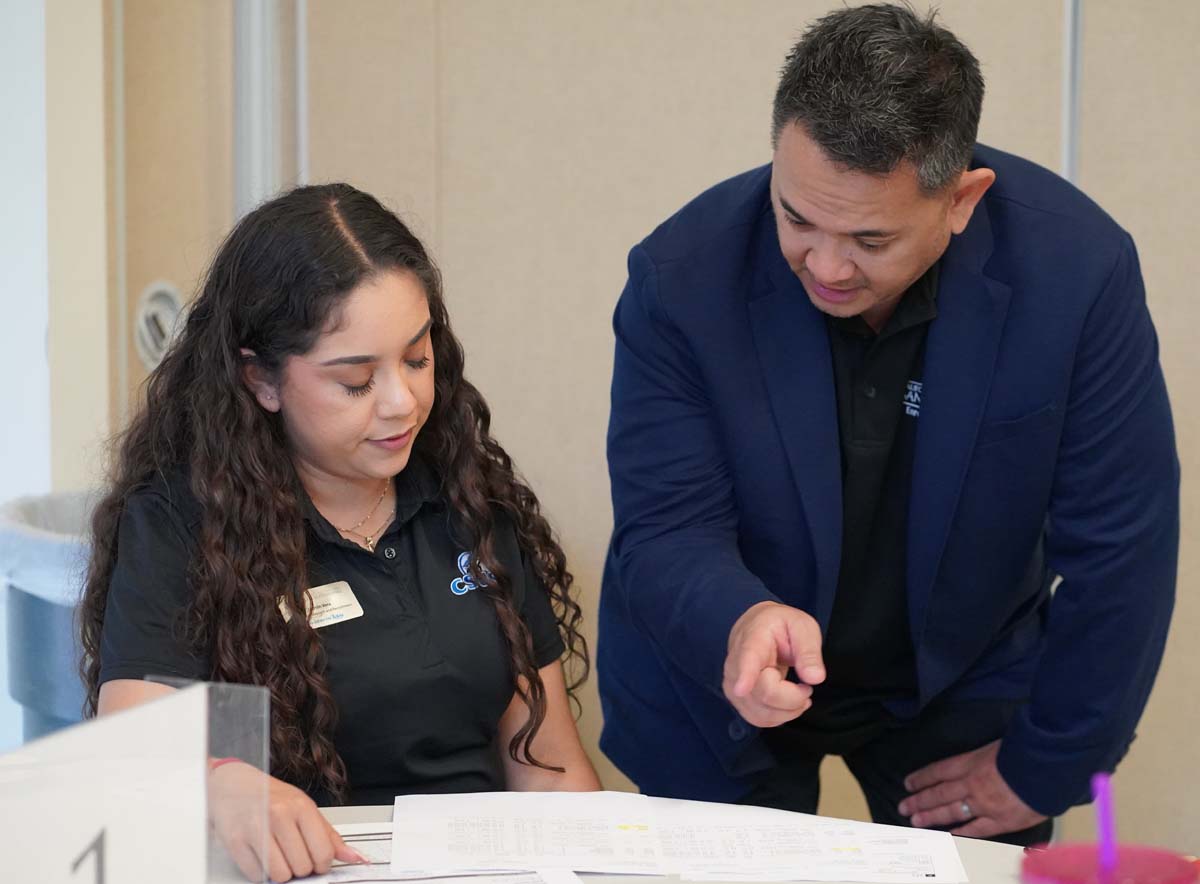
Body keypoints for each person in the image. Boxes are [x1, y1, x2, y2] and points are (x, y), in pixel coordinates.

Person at [598, 3, 1178, 847]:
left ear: (962, 200)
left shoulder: (1076, 274)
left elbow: (1122, 542)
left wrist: (1043, 766)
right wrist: (740, 620)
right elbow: (667, 526)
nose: (826, 267)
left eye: (870, 238)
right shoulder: (681, 278)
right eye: (797, 218)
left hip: (958, 674)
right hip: (720, 669)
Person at [79, 183, 601, 881]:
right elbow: (129, 742)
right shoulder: (183, 521)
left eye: (417, 359)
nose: (403, 402)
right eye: (356, 381)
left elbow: (550, 768)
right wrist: (219, 779)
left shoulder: (470, 501)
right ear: (261, 380)